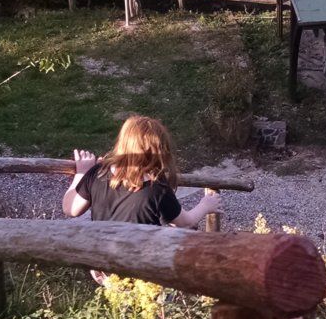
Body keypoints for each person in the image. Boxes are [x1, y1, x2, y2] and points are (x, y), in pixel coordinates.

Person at [63, 115, 222, 282]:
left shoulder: (98, 173)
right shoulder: (157, 188)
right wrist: (205, 205)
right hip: (143, 271)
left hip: (106, 269)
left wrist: (81, 173)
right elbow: (185, 222)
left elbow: (70, 209)